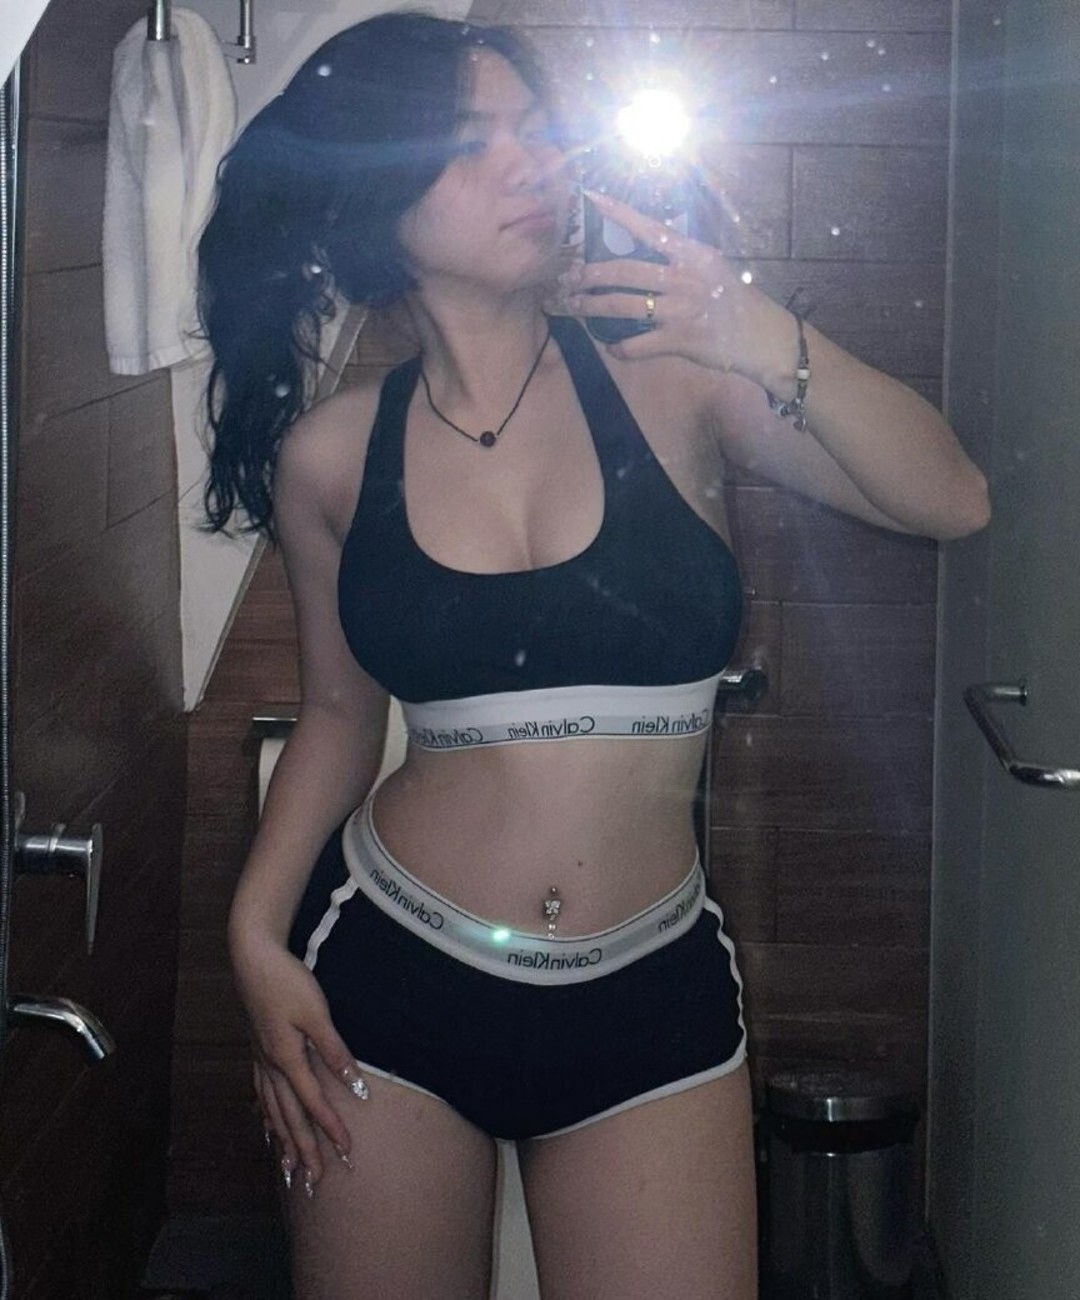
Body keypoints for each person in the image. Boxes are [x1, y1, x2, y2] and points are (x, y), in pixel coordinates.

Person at [198, 12, 989, 1299]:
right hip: (388, 984)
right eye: (472, 142)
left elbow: (950, 497)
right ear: (374, 198)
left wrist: (755, 329)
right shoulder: (332, 457)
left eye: (536, 130)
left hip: (651, 993)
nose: (532, 163)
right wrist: (253, 939)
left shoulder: (675, 379)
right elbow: (338, 718)